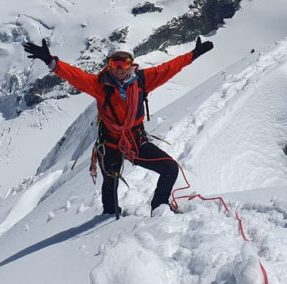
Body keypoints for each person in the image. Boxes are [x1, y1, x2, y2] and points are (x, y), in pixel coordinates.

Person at [23, 36, 214, 215]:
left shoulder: (141, 80)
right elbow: (76, 76)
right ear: (108, 64)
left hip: (135, 141)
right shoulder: (100, 85)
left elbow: (169, 68)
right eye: (115, 63)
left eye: (125, 62)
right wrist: (51, 61)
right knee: (110, 183)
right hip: (110, 144)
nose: (120, 68)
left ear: (132, 64)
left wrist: (193, 54)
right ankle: (109, 217)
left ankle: (159, 208)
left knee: (170, 168)